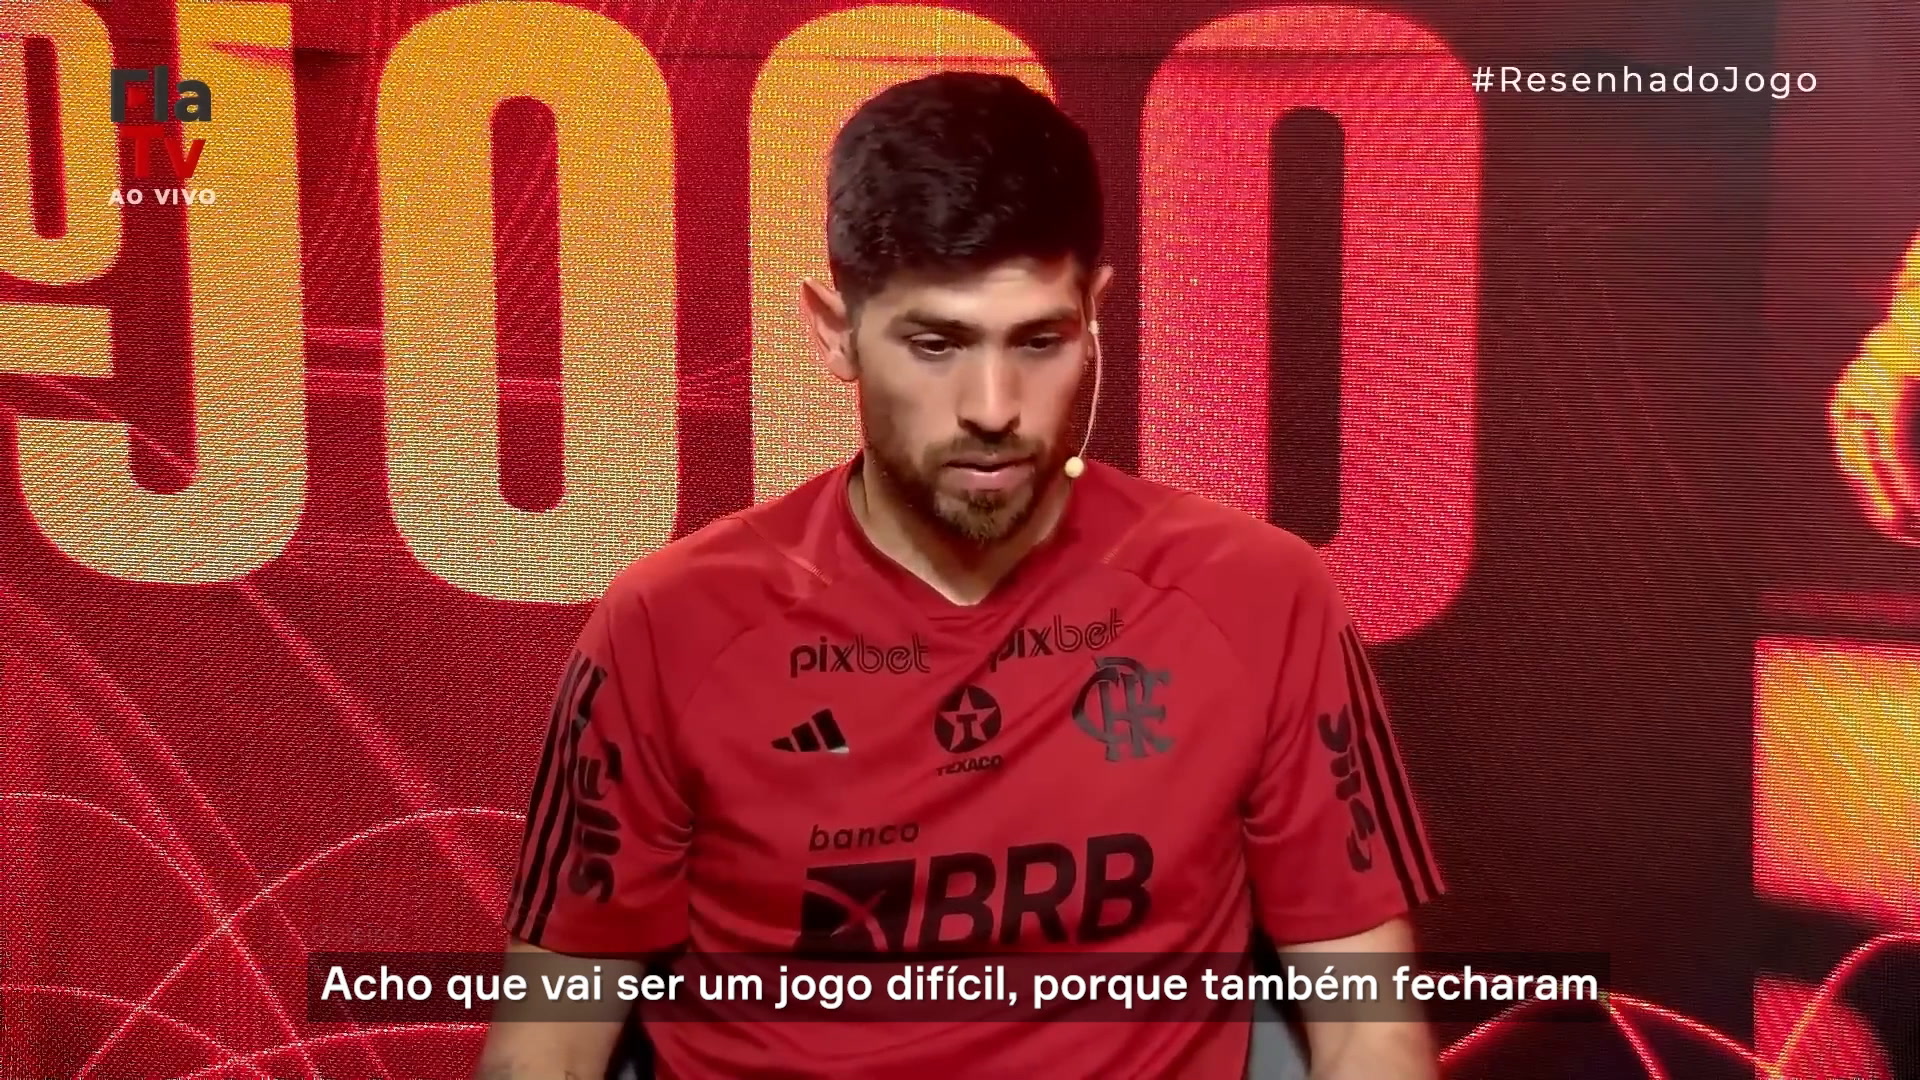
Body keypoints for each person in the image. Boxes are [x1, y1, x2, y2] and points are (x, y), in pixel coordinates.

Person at [475, 71, 1445, 1079]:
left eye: (1040, 340)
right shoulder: (667, 627)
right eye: (936, 343)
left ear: (1096, 315)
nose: (993, 406)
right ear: (834, 330)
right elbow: (545, 1053)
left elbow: (1369, 1033)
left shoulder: (1259, 596)